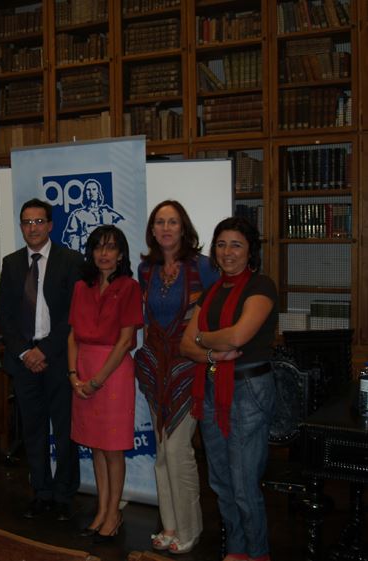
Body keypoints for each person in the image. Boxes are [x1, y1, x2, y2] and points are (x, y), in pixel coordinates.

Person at [180, 216, 277, 561]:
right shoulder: (211, 292)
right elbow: (184, 344)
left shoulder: (261, 286)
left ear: (250, 250)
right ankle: (236, 550)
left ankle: (258, 553)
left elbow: (238, 336)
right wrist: (211, 352)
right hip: (211, 389)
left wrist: (202, 339)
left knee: (244, 483)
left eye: (236, 244)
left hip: (249, 390)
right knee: (221, 481)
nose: (227, 251)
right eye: (221, 244)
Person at [134, 200, 218, 554]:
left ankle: (189, 528)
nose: (166, 228)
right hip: (155, 367)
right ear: (152, 231)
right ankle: (169, 526)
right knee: (161, 451)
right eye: (160, 222)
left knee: (177, 448)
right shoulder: (146, 269)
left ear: (183, 227)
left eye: (172, 222)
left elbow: (218, 312)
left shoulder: (204, 267)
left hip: (188, 367)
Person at [0, 198, 83, 521]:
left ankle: (63, 495)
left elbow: (73, 315)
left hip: (58, 358)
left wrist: (44, 350)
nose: (32, 228)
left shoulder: (70, 260)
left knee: (64, 431)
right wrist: (24, 352)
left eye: (38, 222)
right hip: (24, 361)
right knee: (32, 431)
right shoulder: (12, 263)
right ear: (21, 227)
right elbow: (5, 316)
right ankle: (41, 492)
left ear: (50, 225)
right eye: (26, 222)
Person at [68, 225, 143, 543]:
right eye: (98, 247)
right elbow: (72, 335)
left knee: (112, 449)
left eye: (111, 247)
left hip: (112, 373)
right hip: (83, 368)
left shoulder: (129, 287)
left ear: (121, 253)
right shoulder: (81, 287)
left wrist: (97, 380)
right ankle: (102, 510)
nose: (104, 253)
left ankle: (113, 514)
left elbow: (126, 341)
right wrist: (73, 375)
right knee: (96, 446)